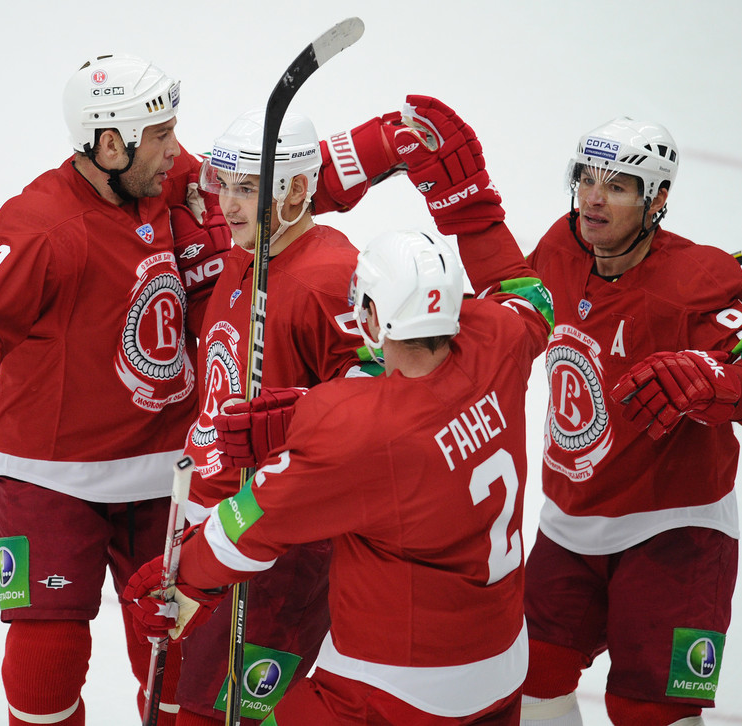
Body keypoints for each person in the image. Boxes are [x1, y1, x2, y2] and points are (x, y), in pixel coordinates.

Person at [125, 98, 555, 725]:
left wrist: (184, 577)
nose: (227, 205)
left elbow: (261, 515)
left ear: (372, 315)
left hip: (392, 673)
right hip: (497, 657)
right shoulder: (497, 341)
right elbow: (525, 294)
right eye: (228, 187)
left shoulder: (359, 417)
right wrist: (460, 199)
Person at [0, 53, 233, 725]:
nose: (176, 150)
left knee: (186, 662)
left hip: (168, 468)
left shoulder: (173, 178)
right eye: (160, 136)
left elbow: (264, 183)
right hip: (50, 474)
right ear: (110, 145)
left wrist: (376, 148)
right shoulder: (40, 225)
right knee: (47, 661)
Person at [518, 118, 742, 726]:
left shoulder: (699, 280)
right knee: (527, 684)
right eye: (587, 180)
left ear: (658, 199)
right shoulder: (560, 247)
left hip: (676, 533)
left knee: (648, 713)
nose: (594, 199)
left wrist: (715, 379)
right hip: (568, 524)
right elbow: (509, 320)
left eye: (618, 187)